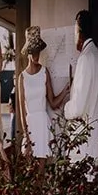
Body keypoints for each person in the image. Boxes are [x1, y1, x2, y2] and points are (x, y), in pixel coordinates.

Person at [15, 25, 69, 158]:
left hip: (43, 124)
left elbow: (53, 103)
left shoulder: (45, 72)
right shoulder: (22, 77)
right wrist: (26, 136)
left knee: (41, 172)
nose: (36, 54)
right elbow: (22, 112)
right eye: (33, 51)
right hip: (30, 126)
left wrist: (65, 90)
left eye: (38, 50)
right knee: (30, 173)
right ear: (28, 52)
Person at [62, 8, 98, 159]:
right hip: (93, 136)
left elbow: (78, 107)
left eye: (74, 31)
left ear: (79, 31)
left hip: (84, 140)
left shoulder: (86, 59)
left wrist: (66, 108)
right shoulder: (96, 55)